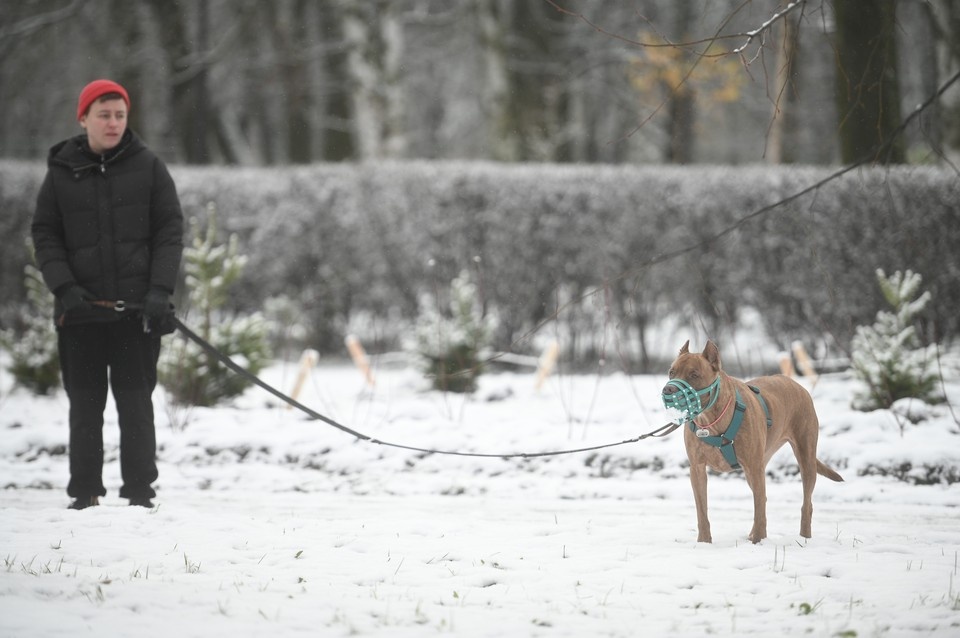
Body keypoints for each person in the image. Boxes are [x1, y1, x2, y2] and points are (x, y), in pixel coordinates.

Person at [32, 79, 184, 510]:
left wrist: (159, 291)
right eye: (104, 115)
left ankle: (140, 493)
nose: (113, 122)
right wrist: (65, 289)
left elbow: (169, 232)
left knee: (136, 406)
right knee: (85, 407)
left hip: (137, 314)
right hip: (79, 314)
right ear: (83, 118)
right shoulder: (61, 171)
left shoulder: (149, 166)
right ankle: (85, 494)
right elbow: (45, 235)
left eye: (120, 114)